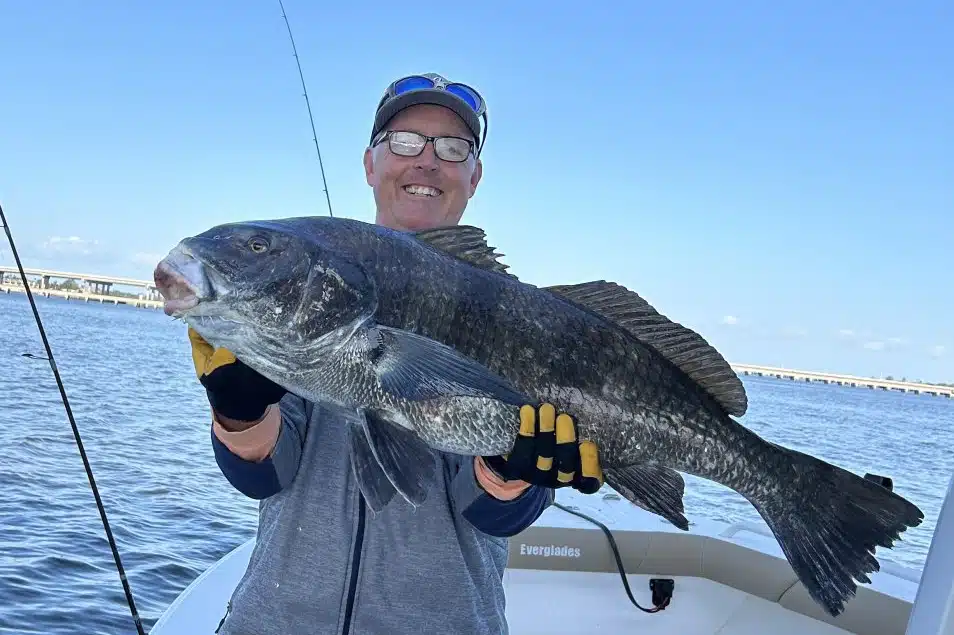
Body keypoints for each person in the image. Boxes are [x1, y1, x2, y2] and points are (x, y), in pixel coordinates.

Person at [188, 72, 604, 635]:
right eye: (405, 142)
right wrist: (237, 412)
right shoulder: (309, 295)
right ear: (371, 164)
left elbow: (494, 514)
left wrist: (510, 473)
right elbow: (265, 475)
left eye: (452, 148)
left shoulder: (514, 318)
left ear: (474, 176)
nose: (427, 161)